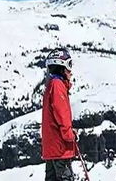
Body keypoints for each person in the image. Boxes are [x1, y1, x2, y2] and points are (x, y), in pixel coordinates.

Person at [41, 48, 77, 181]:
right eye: (69, 65)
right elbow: (62, 114)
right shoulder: (58, 85)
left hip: (51, 149)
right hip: (60, 149)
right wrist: (69, 135)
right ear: (61, 67)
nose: (70, 71)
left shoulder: (50, 85)